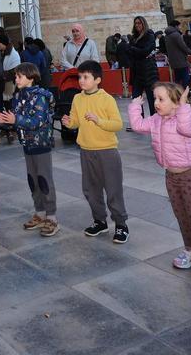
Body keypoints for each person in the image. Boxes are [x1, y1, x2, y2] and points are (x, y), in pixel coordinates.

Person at [128, 81, 191, 282]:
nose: (156, 103)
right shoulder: (156, 120)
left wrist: (184, 106)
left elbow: (189, 130)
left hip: (190, 176)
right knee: (181, 217)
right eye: (155, 98)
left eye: (161, 99)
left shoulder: (184, 119)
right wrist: (135, 107)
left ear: (176, 103)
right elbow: (137, 126)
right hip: (171, 176)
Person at [61, 61, 128, 244]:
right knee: (91, 190)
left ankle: (121, 224)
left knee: (113, 189)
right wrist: (69, 123)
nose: (81, 81)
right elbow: (75, 121)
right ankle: (100, 221)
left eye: (86, 77)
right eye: (80, 77)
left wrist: (99, 121)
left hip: (107, 151)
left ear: (97, 80)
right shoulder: (77, 99)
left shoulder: (107, 99)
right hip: (86, 151)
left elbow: (117, 124)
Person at [0, 63, 58, 237]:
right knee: (33, 180)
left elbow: (36, 121)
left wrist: (15, 119)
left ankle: (51, 217)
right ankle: (40, 212)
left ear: (31, 77)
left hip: (40, 145)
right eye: (16, 76)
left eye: (19, 76)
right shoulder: (19, 95)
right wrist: (5, 120)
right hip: (27, 145)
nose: (16, 79)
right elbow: (17, 118)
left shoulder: (41, 97)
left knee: (44, 180)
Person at [120, 16, 160, 110]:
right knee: (136, 100)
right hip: (136, 72)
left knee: (152, 100)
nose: (137, 25)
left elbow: (145, 51)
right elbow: (128, 51)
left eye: (139, 23)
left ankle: (153, 122)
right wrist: (137, 52)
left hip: (148, 71)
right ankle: (138, 122)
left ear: (143, 24)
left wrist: (133, 49)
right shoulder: (134, 37)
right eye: (136, 23)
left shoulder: (149, 35)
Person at [0, 34, 21, 144]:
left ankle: (10, 130)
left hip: (10, 85)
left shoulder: (13, 55)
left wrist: (0, 75)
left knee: (9, 106)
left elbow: (13, 72)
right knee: (6, 107)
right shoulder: (3, 53)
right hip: (4, 84)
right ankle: (6, 129)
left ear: (4, 43)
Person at [164, 22, 191, 87]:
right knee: (185, 78)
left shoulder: (167, 36)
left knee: (177, 79)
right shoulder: (176, 35)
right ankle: (185, 93)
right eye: (179, 26)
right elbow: (183, 47)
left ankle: (177, 93)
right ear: (175, 26)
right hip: (181, 60)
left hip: (173, 61)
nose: (180, 27)